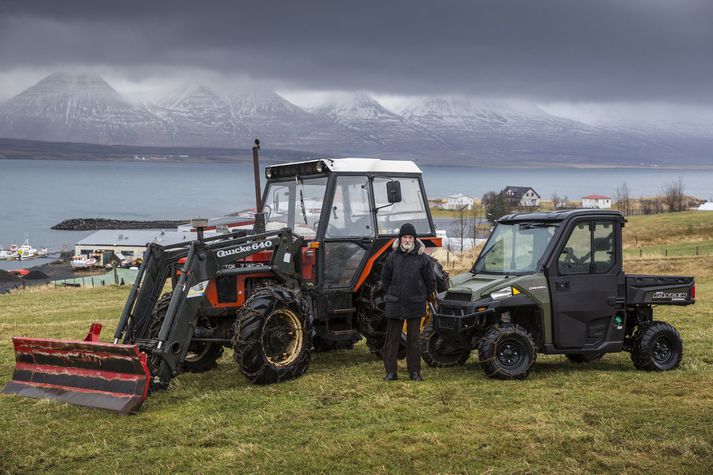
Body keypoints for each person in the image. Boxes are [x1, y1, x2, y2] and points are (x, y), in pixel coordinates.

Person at [381, 222, 436, 381]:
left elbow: (430, 282)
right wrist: (392, 294)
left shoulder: (422, 258)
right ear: (400, 238)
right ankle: (391, 372)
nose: (407, 239)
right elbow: (385, 279)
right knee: (392, 340)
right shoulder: (392, 257)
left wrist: (421, 296)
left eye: (410, 237)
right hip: (395, 303)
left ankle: (415, 373)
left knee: (414, 340)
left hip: (415, 304)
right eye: (404, 236)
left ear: (414, 239)